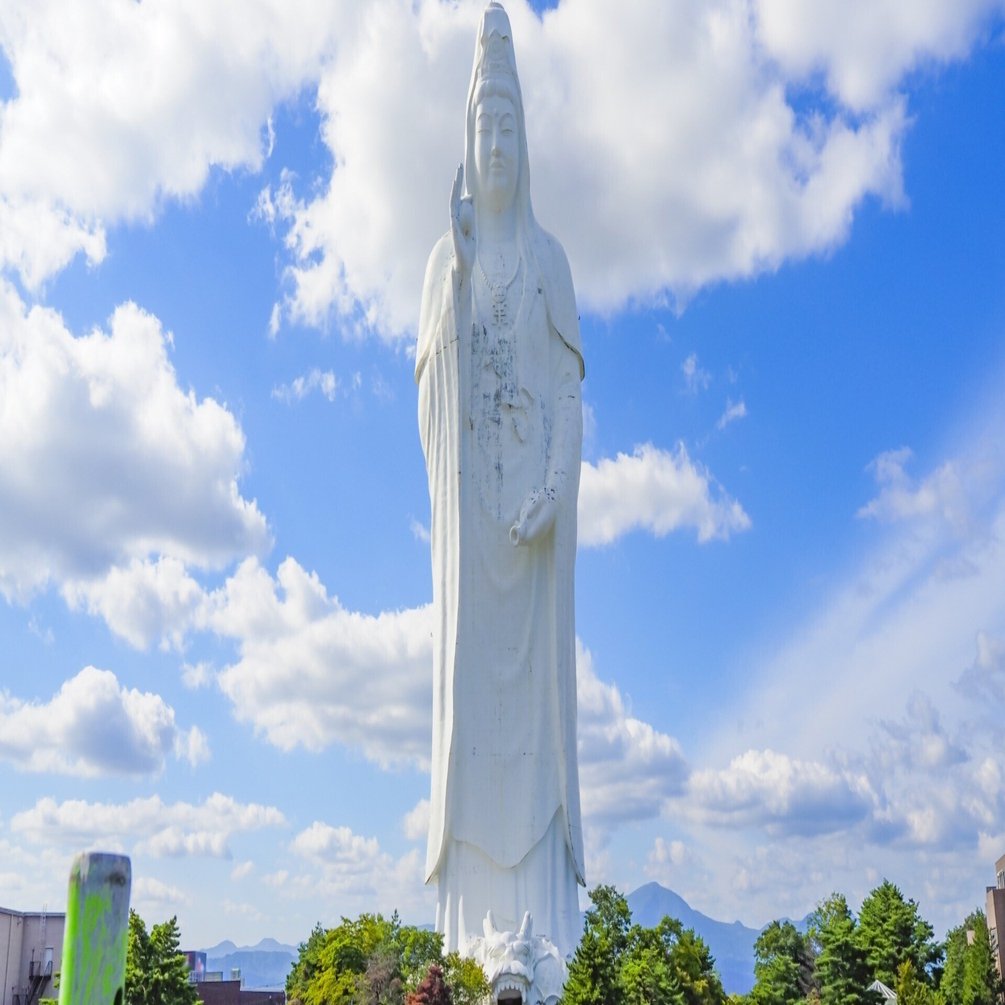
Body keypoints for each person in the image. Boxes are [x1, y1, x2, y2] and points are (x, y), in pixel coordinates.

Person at [415, 1, 586, 959]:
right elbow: (429, 392)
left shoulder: (553, 262)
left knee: (533, 720)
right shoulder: (449, 259)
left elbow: (567, 393)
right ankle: (472, 933)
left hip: (533, 537)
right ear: (465, 141)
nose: (497, 144)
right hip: (473, 539)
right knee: (470, 709)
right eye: (483, 126)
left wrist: (556, 486)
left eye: (510, 125)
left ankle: (540, 935)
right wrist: (456, 280)